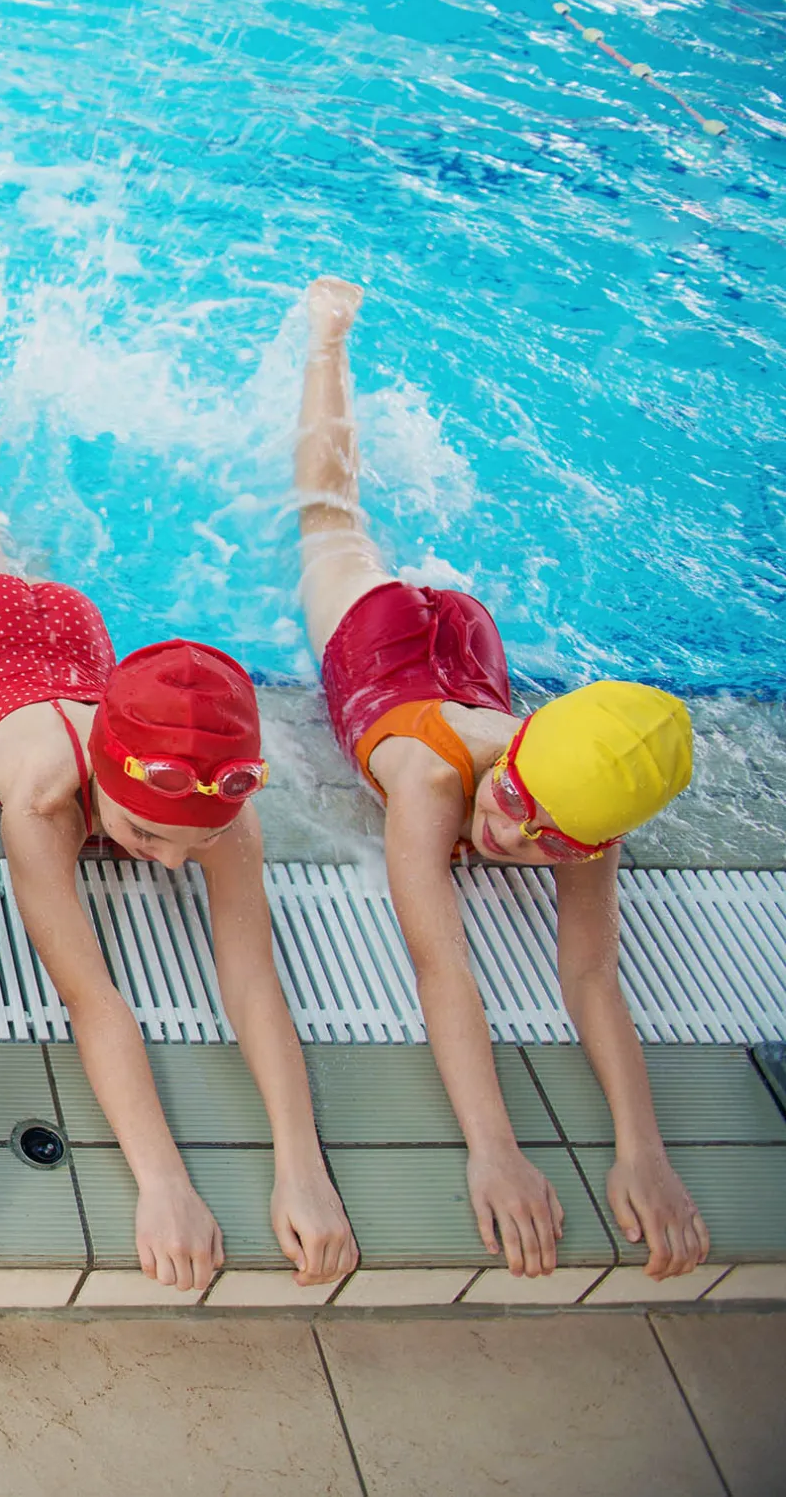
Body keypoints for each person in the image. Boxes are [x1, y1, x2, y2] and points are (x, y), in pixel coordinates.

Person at [0, 285, 357, 1295]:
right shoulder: (43, 800)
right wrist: (162, 1182)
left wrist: (304, 1168)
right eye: (145, 834)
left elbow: (253, 981)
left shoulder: (215, 805)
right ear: (103, 787)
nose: (167, 862)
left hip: (79, 645)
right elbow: (93, 996)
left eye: (182, 843)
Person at [293, 275, 704, 1281]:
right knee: (329, 519)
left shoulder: (580, 800)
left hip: (471, 653)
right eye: (513, 802)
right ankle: (327, 340)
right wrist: (495, 1148)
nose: (511, 837)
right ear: (512, 759)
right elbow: (443, 968)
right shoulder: (433, 783)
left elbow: (591, 974)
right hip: (383, 641)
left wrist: (644, 1151)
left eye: (547, 837)